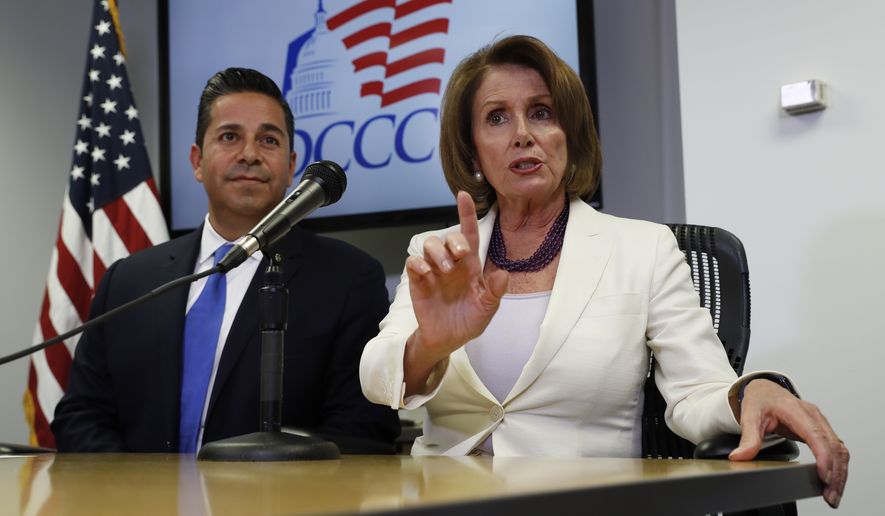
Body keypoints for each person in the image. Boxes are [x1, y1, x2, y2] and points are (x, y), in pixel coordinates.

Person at [359, 36, 848, 507]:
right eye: (497, 118)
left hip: (585, 502)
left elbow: (696, 392)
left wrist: (755, 390)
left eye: (542, 113)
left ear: (570, 134)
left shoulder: (644, 250)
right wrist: (430, 344)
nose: (522, 134)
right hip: (447, 502)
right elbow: (376, 376)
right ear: (473, 151)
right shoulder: (437, 251)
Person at [53, 68, 400, 453]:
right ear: (197, 161)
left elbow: (362, 430)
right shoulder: (128, 280)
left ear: (290, 166)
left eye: (268, 139)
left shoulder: (349, 280)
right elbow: (82, 415)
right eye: (230, 136)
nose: (249, 154)